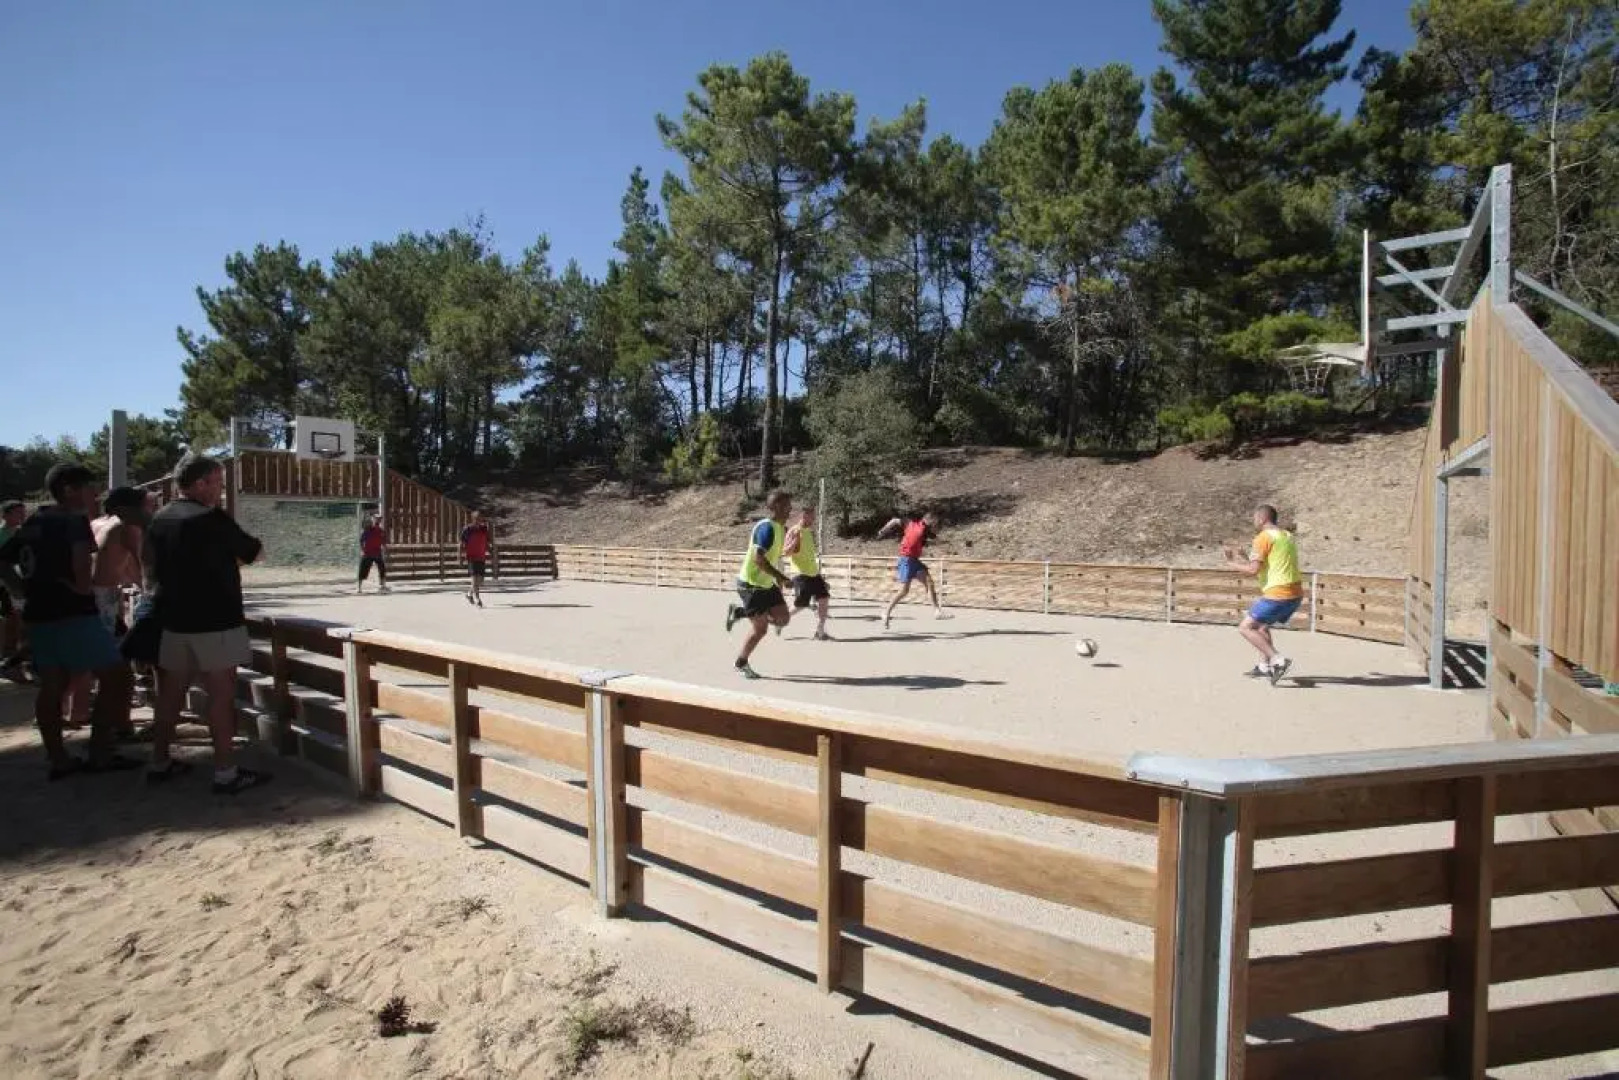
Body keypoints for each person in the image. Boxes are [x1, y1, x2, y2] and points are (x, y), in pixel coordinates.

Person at [0, 464, 139, 779]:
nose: (94, 495)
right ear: (69, 490)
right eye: (89, 488)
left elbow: (4, 561)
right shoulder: (73, 521)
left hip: (40, 615)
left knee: (53, 684)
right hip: (74, 613)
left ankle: (58, 758)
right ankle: (101, 752)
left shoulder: (35, 521)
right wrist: (80, 586)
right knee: (118, 677)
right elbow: (80, 563)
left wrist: (22, 593)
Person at [144, 454, 271, 794]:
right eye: (217, 482)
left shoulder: (159, 518)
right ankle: (226, 772)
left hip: (173, 621)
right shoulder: (210, 518)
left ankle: (159, 761)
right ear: (200, 483)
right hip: (215, 621)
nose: (220, 490)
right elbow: (254, 552)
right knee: (221, 697)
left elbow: (150, 566)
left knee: (170, 695)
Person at [1223, 504, 1303, 685]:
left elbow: (1253, 570)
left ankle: (1278, 660)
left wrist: (1230, 563)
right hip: (1294, 592)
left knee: (1246, 627)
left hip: (1278, 593)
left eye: (1254, 518)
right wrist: (1245, 558)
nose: (1254, 521)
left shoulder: (1263, 538)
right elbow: (1268, 566)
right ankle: (1264, 666)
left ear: (1261, 518)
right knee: (1262, 627)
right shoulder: (1287, 536)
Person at [723, 489, 794, 679]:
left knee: (783, 619)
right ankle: (741, 663)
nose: (791, 508)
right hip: (750, 585)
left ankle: (739, 612)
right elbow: (759, 560)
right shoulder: (766, 528)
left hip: (765, 583)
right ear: (777, 506)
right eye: (787, 505)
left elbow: (774, 556)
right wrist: (782, 578)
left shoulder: (781, 528)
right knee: (760, 629)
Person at [876, 510, 949, 630]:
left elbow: (934, 536)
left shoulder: (925, 531)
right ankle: (886, 612)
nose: (936, 528)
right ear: (929, 521)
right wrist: (883, 530)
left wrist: (941, 541)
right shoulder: (911, 524)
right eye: (935, 525)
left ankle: (937, 611)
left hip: (914, 561)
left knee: (929, 583)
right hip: (906, 560)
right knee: (904, 591)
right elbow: (894, 520)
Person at [782, 507, 832, 641]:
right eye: (812, 517)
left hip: (814, 573)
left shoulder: (809, 532)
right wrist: (794, 542)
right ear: (804, 516)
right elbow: (786, 552)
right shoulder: (794, 531)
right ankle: (781, 620)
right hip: (801, 574)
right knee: (801, 604)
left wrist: (819, 574)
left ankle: (820, 631)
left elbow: (809, 556)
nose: (814, 519)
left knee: (824, 598)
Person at [0, 499, 25, 675]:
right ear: (5, 515)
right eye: (18, 512)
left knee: (19, 621)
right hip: (4, 585)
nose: (22, 516)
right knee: (11, 620)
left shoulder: (21, 533)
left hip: (18, 584)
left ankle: (15, 658)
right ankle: (9, 658)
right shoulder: (2, 534)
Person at [461, 511, 492, 607]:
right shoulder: (468, 529)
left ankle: (469, 594)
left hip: (481, 557)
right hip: (471, 557)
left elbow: (487, 541)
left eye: (481, 518)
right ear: (473, 519)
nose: (480, 520)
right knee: (474, 579)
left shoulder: (484, 529)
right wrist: (460, 557)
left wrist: (491, 552)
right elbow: (461, 544)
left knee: (480, 580)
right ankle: (478, 599)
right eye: (477, 518)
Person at [357, 514, 390, 594]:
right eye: (376, 519)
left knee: (382, 569)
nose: (378, 520)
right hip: (368, 553)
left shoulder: (381, 531)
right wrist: (362, 550)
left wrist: (385, 550)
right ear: (373, 520)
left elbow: (383, 542)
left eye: (379, 519)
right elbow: (361, 540)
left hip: (377, 553)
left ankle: (383, 586)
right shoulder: (368, 530)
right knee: (363, 569)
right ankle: (359, 588)